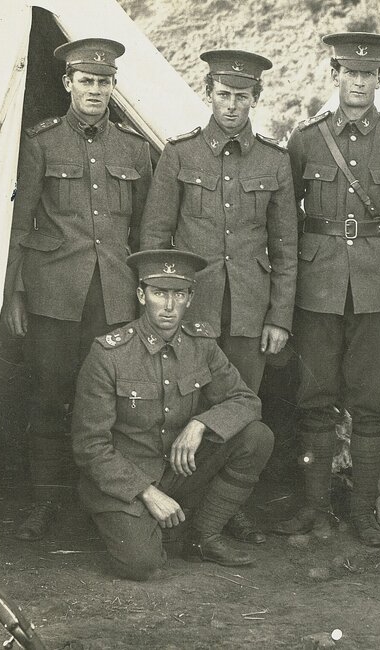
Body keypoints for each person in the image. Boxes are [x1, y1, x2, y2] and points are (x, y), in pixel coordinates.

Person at [140, 50, 297, 545]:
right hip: (192, 307)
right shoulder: (180, 154)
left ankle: (229, 510)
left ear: (256, 98)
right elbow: (156, 235)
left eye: (242, 96)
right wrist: (159, 310)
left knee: (242, 407)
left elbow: (285, 247)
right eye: (224, 94)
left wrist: (279, 317)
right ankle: (178, 507)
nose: (232, 105)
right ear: (208, 93)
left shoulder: (275, 160)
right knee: (184, 406)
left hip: (250, 309)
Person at [2, 38, 154, 541]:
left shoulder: (134, 148)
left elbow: (145, 231)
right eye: (86, 80)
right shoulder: (41, 142)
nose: (95, 90)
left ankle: (106, 500)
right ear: (68, 83)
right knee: (49, 395)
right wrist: (15, 293)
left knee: (111, 400)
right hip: (53, 295)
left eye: (103, 82)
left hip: (114, 295)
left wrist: (143, 292)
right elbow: (20, 223)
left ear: (113, 87)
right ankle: (46, 501)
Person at [271, 32, 380, 546]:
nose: (358, 82)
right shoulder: (306, 139)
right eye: (350, 72)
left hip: (378, 287)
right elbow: (285, 216)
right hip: (318, 286)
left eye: (368, 74)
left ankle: (363, 512)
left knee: (370, 402)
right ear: (335, 75)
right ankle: (314, 509)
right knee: (314, 398)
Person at [71, 249, 274, 581]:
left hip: (180, 471)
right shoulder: (109, 354)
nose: (168, 305)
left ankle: (203, 536)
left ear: (190, 298)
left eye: (178, 294)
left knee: (256, 437)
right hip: (128, 480)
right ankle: (133, 522)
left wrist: (200, 424)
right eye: (158, 293)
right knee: (141, 564)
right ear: (141, 295)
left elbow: (246, 400)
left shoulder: (202, 345)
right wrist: (147, 492)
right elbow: (90, 446)